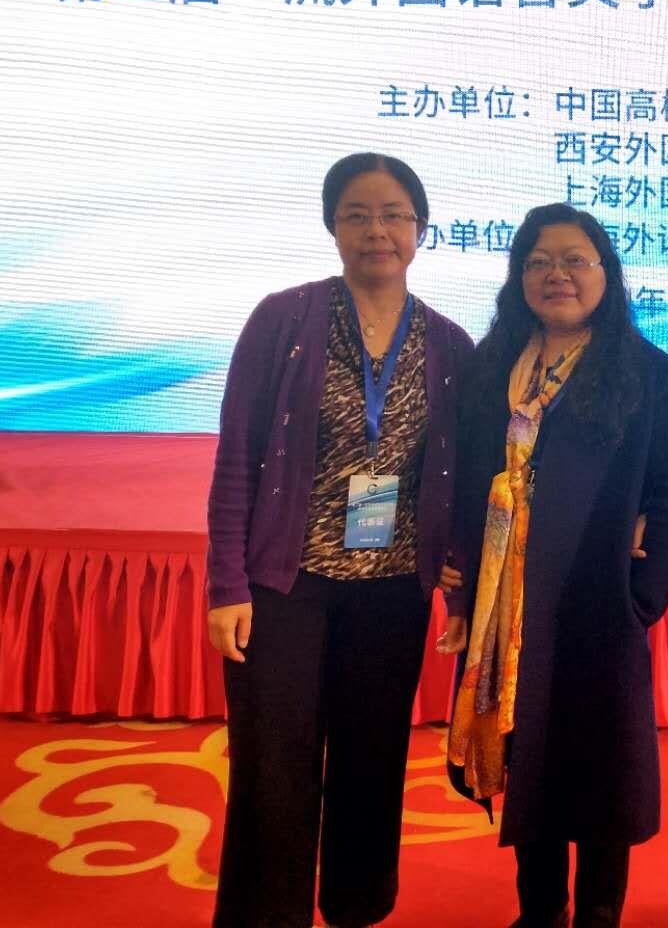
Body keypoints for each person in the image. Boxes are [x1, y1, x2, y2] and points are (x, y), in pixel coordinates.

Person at [205, 152, 474, 927]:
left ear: (421, 229)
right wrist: (226, 585)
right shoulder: (283, 319)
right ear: (332, 226)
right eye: (357, 214)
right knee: (273, 766)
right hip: (284, 587)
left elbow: (458, 479)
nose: (376, 230)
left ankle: (358, 907)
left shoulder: (450, 345)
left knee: (373, 758)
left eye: (393, 214)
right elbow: (236, 457)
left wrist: (458, 586)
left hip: (392, 590)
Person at [437, 202, 668, 928]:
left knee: (601, 768)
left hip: (596, 604)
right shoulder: (493, 365)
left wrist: (641, 593)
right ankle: (541, 911)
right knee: (528, 757)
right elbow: (461, 473)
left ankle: (599, 914)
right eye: (538, 262)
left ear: (606, 274)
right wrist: (458, 564)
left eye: (574, 260)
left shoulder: (643, 371)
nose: (556, 275)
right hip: (507, 606)